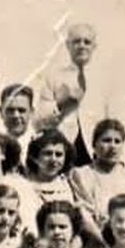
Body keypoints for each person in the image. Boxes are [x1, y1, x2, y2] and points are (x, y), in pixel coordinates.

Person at [35, 23, 104, 162]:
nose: (82, 46)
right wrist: (63, 105)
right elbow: (39, 122)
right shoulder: (53, 77)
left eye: (87, 42)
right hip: (62, 151)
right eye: (76, 41)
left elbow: (114, 123)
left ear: (94, 46)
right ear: (67, 45)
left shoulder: (103, 80)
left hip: (96, 153)